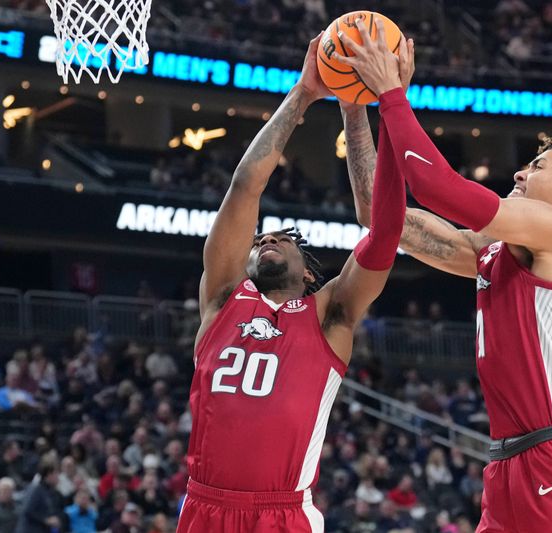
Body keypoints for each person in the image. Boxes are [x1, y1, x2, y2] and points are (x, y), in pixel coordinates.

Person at [336, 18, 552, 532]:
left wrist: (393, 95)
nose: (519, 172)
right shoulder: (489, 251)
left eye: (538, 166)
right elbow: (378, 216)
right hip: (507, 467)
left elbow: (441, 191)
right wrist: (356, 106)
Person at [176, 32, 405, 533]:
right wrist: (303, 92)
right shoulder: (222, 300)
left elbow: (383, 230)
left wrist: (355, 110)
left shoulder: (330, 314)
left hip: (281, 513)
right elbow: (245, 187)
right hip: (203, 507)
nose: (265, 240)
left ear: (308, 272)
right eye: (261, 239)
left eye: (281, 238)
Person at [15, 462, 62, 533]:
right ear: (49, 474)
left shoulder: (49, 491)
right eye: (56, 474)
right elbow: (28, 510)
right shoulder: (35, 488)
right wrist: (46, 520)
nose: (58, 477)